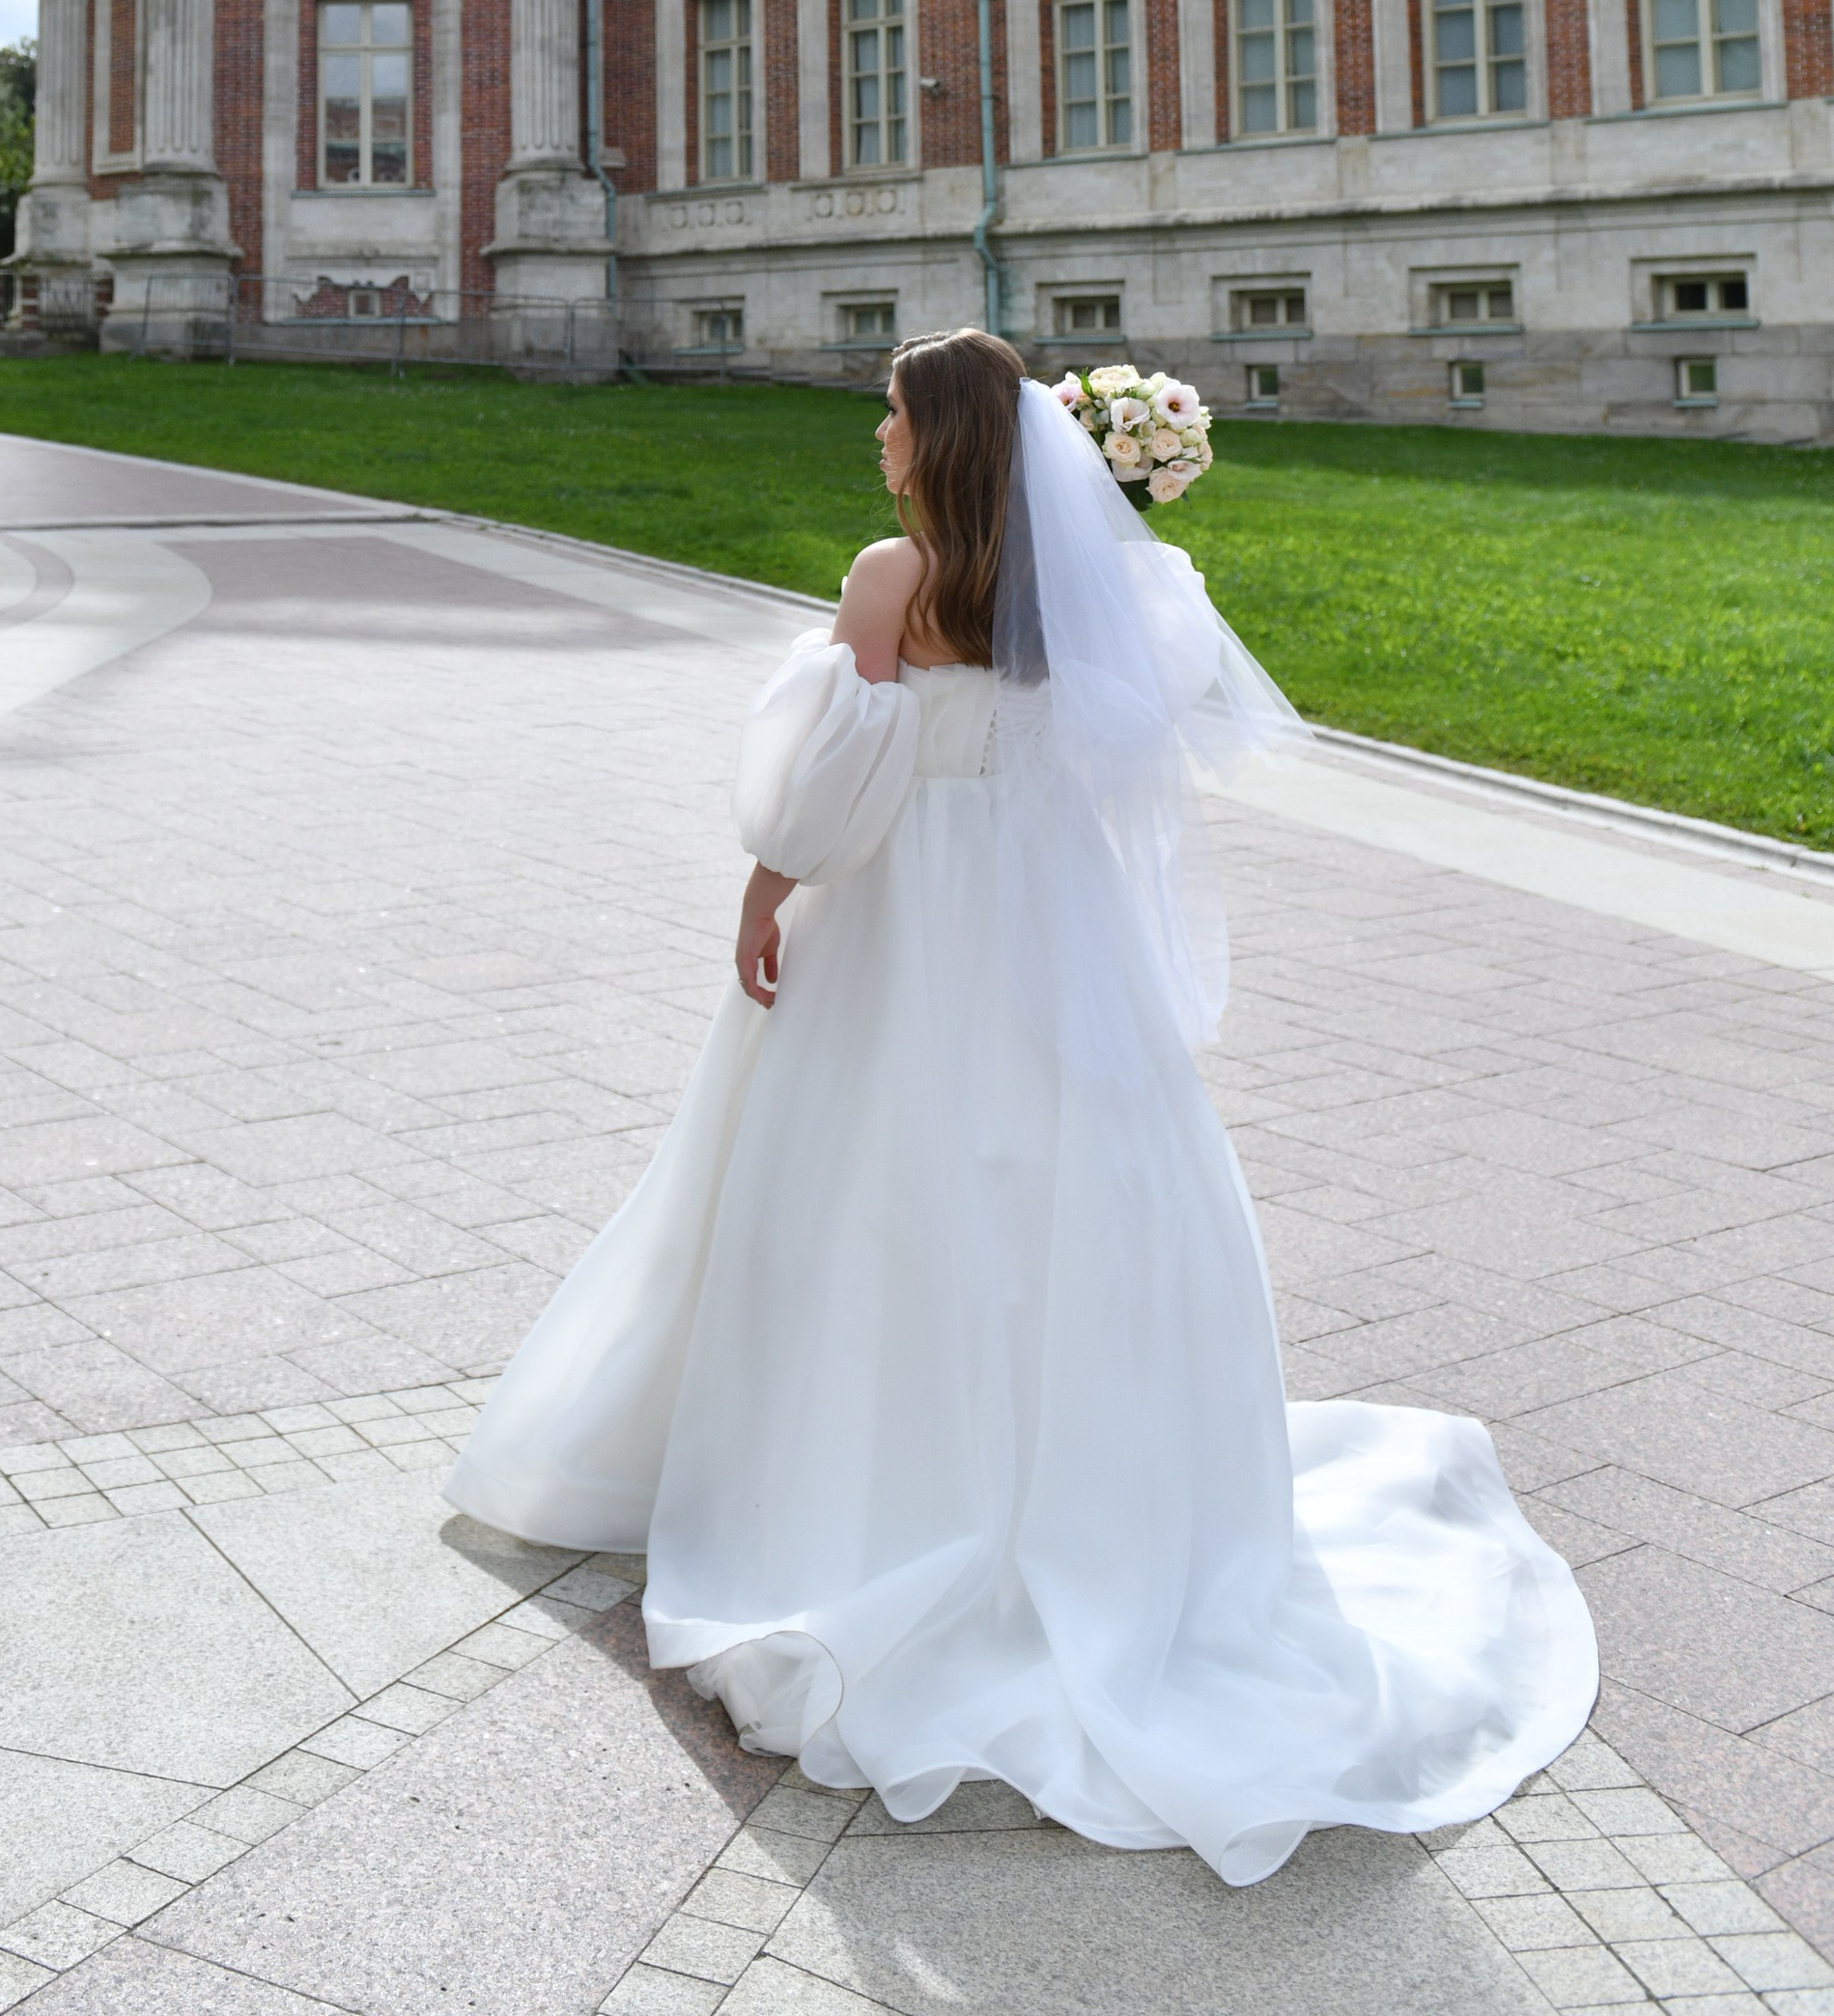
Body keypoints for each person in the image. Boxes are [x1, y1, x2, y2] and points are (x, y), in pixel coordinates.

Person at [446, 326, 1594, 1886]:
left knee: (858, 1191)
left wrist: (762, 892)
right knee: (1081, 1186)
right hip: (1060, 941)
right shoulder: (1120, 592)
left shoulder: (888, 579)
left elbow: (823, 800)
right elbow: (1130, 756)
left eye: (892, 415)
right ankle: (1095, 1483)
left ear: (943, 438)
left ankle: (856, 1477)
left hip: (908, 929)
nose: (877, 438)